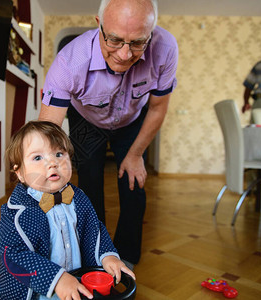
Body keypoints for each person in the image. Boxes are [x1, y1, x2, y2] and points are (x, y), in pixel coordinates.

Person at [39, 0, 178, 269]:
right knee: (89, 184)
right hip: (87, 121)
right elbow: (47, 133)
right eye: (114, 40)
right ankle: (95, 255)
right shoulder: (70, 61)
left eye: (138, 42)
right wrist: (42, 178)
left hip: (133, 121)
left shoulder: (166, 48)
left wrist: (136, 154)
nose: (125, 54)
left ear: (151, 32)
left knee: (133, 184)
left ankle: (125, 258)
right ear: (98, 24)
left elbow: (158, 107)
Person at [0, 121, 135, 300]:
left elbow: (93, 230)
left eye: (59, 154)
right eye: (38, 158)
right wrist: (56, 279)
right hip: (37, 288)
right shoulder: (17, 211)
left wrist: (107, 257)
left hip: (76, 278)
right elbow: (14, 255)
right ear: (19, 173)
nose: (52, 162)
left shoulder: (79, 197)